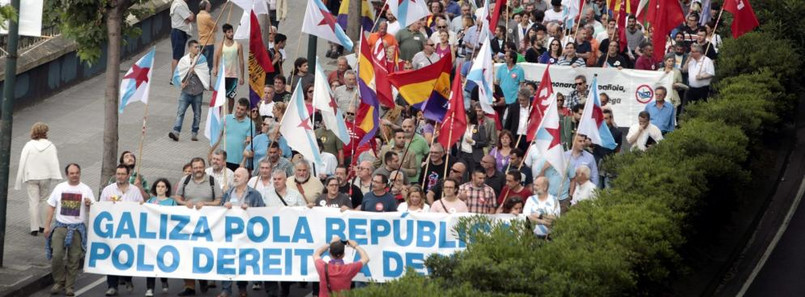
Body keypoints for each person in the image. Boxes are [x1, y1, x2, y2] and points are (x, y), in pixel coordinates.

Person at [173, 158, 223, 296]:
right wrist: (184, 203)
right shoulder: (185, 180)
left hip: (208, 224)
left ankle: (203, 278)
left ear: (204, 167)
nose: (198, 170)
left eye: (200, 167)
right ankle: (189, 286)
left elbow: (219, 200)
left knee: (204, 252)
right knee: (187, 252)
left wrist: (206, 205)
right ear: (192, 168)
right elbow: (176, 197)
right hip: (188, 223)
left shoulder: (212, 181)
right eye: (195, 167)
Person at [44, 163, 93, 297]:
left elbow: (92, 209)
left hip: (77, 229)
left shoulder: (86, 189)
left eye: (77, 173)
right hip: (60, 227)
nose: (74, 175)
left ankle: (69, 286)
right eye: (72, 173)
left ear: (80, 173)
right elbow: (51, 207)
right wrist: (47, 226)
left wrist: (89, 205)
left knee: (74, 259)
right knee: (57, 255)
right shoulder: (59, 188)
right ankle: (59, 281)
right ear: (67, 175)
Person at [100, 165, 144, 296]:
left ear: (128, 175)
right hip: (113, 230)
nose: (120, 176)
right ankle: (112, 286)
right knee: (112, 257)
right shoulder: (108, 190)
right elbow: (101, 207)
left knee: (127, 256)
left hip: (130, 230)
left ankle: (127, 279)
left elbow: (141, 207)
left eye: (123, 174)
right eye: (118, 173)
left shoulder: (135, 190)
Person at [15, 122, 62, 236]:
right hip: (45, 177)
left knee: (33, 202)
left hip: (31, 177)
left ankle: (34, 227)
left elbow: (22, 161)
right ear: (45, 132)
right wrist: (56, 175)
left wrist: (19, 180)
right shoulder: (50, 145)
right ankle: (44, 225)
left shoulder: (29, 145)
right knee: (45, 200)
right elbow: (53, 161)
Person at [169, 40, 209, 142]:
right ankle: (176, 132)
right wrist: (181, 83)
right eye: (195, 47)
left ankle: (194, 132)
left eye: (198, 47)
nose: (198, 49)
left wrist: (195, 71)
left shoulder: (202, 59)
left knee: (197, 113)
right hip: (186, 92)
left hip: (197, 92)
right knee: (180, 112)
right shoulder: (183, 60)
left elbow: (204, 72)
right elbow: (177, 74)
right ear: (190, 48)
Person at [142, 179, 176, 295]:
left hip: (165, 236)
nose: (160, 188)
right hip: (152, 236)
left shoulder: (171, 202)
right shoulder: (150, 201)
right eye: (158, 186)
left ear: (166, 189)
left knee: (163, 260)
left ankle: (164, 280)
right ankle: (149, 288)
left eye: (162, 186)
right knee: (150, 261)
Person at [213, 23, 245, 110]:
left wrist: (242, 76)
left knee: (231, 96)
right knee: (220, 97)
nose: (231, 33)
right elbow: (216, 56)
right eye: (228, 32)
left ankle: (230, 114)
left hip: (233, 75)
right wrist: (215, 68)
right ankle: (218, 115)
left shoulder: (238, 45)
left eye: (232, 31)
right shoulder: (221, 45)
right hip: (222, 74)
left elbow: (241, 61)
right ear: (225, 33)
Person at [223, 98, 256, 171]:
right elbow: (217, 136)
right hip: (224, 159)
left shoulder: (250, 124)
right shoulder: (226, 118)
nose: (239, 111)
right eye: (238, 108)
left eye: (242, 109)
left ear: (246, 111)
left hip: (239, 161)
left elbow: (248, 144)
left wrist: (244, 161)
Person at [170, 0, 194, 80]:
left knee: (179, 55)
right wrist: (189, 18)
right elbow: (190, 17)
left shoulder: (179, 4)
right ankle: (174, 78)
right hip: (178, 32)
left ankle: (178, 76)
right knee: (177, 56)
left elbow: (190, 17)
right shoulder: (179, 5)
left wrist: (189, 18)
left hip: (179, 32)